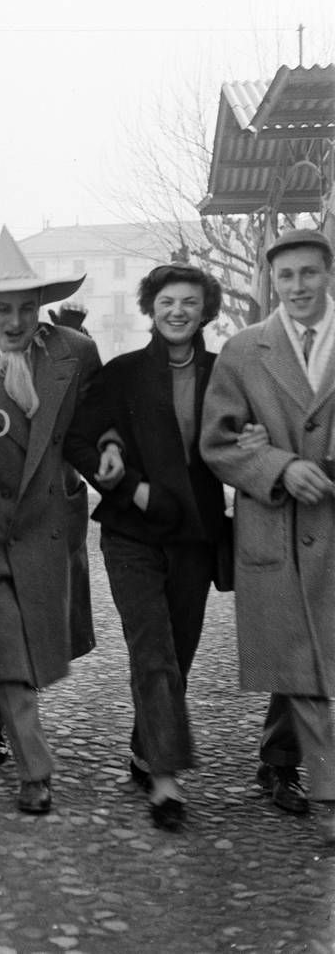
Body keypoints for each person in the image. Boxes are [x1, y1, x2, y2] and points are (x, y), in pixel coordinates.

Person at [0, 227, 115, 815]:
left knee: (29, 651)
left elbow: (85, 430)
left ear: (42, 307)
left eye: (26, 308)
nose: (15, 321)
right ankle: (36, 771)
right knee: (8, 650)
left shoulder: (74, 353)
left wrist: (107, 452)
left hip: (44, 526)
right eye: (1, 308)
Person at [71, 264, 228, 830]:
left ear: (205, 309)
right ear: (151, 308)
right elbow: (81, 440)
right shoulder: (123, 373)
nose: (178, 311)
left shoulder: (224, 371)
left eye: (189, 301)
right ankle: (165, 779)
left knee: (179, 655)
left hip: (196, 535)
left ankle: (145, 747)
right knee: (153, 650)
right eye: (167, 301)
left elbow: (241, 433)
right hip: (132, 533)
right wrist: (129, 486)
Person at [200, 227, 335, 845]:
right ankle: (326, 787)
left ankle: (280, 760)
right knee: (301, 657)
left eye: (309, 273)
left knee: (313, 656)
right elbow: (218, 442)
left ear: (327, 275)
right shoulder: (244, 350)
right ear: (270, 282)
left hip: (330, 520)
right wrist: (277, 466)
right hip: (276, 527)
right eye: (286, 276)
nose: (298, 286)